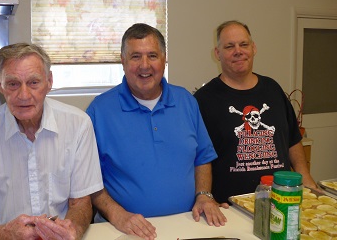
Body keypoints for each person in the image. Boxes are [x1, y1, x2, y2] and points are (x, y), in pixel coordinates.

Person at [0, 43, 103, 240]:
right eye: (13, 84)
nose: (24, 95)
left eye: (33, 82)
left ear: (49, 81)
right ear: (0, 85)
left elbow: (81, 202)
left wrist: (72, 231)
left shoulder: (78, 125)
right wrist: (2, 234)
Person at [86, 23, 227, 240]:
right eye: (135, 57)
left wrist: (204, 196)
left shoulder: (186, 102)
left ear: (163, 59)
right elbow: (87, 179)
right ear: (122, 61)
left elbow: (202, 158)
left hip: (188, 225)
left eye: (152, 55)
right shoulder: (99, 110)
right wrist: (118, 215)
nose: (145, 65)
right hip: (124, 231)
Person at [193, 20, 318, 204]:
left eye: (244, 44)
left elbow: (292, 141)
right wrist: (206, 197)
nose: (238, 51)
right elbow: (199, 158)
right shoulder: (204, 100)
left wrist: (308, 183)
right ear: (217, 54)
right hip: (230, 206)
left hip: (281, 200)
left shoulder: (273, 90)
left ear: (253, 48)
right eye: (229, 46)